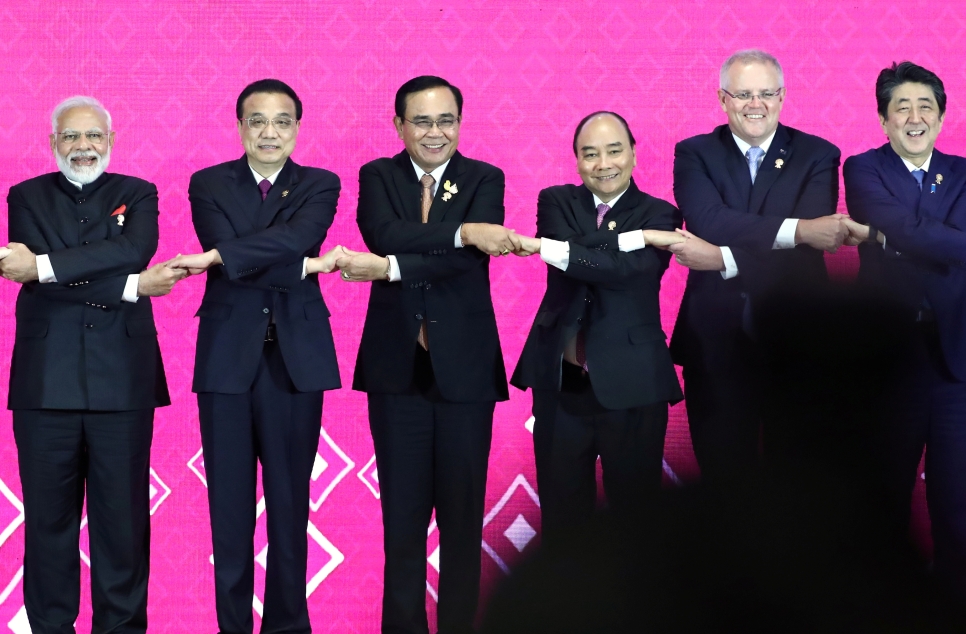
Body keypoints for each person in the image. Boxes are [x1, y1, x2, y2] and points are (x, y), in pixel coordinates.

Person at [334, 75, 510, 634]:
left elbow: (459, 264)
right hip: (396, 370)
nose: (436, 133)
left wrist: (391, 266)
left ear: (460, 122)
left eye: (447, 121)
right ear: (400, 125)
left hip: (466, 371)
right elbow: (381, 231)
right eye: (423, 121)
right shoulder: (378, 175)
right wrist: (463, 234)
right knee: (402, 527)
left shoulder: (485, 176)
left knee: (462, 527)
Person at [0, 96, 180, 633]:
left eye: (93, 136)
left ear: (111, 140)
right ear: (53, 144)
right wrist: (130, 287)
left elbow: (133, 250)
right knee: (48, 523)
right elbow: (30, 272)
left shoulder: (138, 193)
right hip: (44, 384)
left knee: (121, 524)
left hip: (122, 381)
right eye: (71, 138)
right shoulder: (25, 195)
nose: (84, 147)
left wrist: (48, 266)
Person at [169, 79, 342, 634]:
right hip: (227, 358)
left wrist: (221, 256)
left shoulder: (320, 183)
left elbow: (297, 238)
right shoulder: (208, 182)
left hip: (296, 359)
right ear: (240, 125)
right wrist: (304, 266)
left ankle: (288, 626)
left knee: (291, 506)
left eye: (283, 121)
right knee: (230, 509)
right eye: (258, 121)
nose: (270, 132)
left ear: (297, 126)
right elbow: (287, 250)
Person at [842, 61, 966, 612]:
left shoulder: (965, 170)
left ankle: (958, 613)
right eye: (901, 107)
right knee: (885, 496)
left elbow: (919, 234)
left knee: (953, 502)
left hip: (955, 356)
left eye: (925, 107)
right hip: (888, 356)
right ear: (884, 119)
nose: (914, 117)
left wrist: (896, 236)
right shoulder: (861, 167)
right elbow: (950, 241)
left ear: (941, 116)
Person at [662, 49, 845, 483]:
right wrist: (797, 230)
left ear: (782, 97)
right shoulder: (695, 153)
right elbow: (708, 220)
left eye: (765, 93)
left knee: (797, 483)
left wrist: (721, 257)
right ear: (722, 98)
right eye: (743, 94)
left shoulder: (818, 154)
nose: (755, 104)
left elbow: (809, 251)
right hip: (714, 342)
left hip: (796, 339)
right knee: (723, 484)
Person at [508, 112, 684, 541]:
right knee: (563, 520)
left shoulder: (661, 212)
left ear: (634, 153)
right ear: (576, 160)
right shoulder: (555, 200)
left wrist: (560, 249)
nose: (603, 163)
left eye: (614, 150)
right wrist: (633, 239)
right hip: (562, 379)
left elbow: (627, 273)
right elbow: (579, 257)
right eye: (590, 154)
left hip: (633, 380)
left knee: (635, 518)